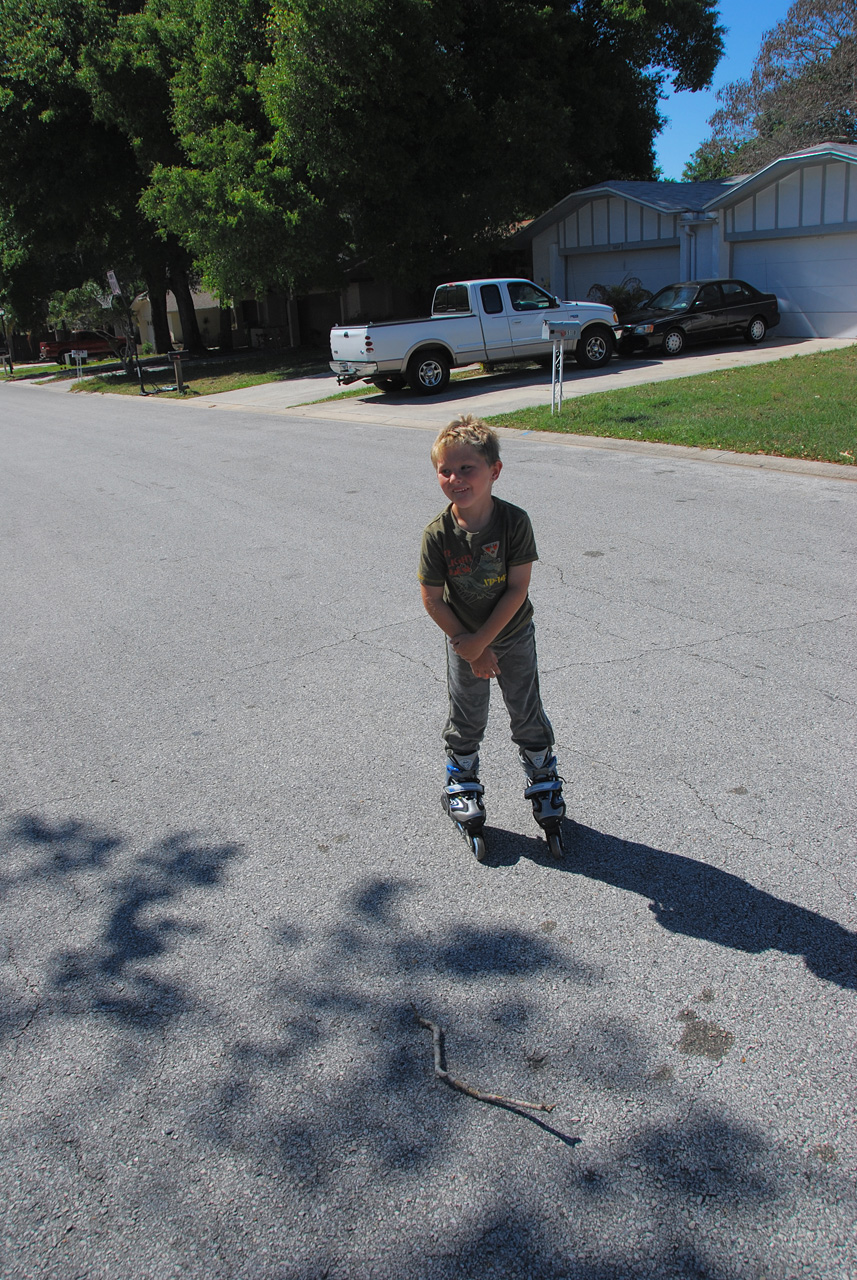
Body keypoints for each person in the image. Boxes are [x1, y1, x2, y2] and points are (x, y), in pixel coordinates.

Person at [418, 414, 565, 856]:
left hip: (513, 635)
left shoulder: (514, 522)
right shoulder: (437, 534)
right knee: (467, 716)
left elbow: (518, 588)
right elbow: (432, 599)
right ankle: (461, 780)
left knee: (526, 708)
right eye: (445, 470)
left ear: (494, 471)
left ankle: (542, 777)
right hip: (462, 639)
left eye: (467, 468)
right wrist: (471, 646)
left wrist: (485, 642)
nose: (455, 478)